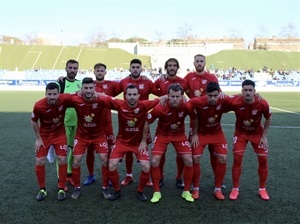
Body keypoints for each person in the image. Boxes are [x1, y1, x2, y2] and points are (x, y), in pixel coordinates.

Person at [107, 84, 166, 202]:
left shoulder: (144, 105)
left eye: (134, 94)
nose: (132, 97)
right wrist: (95, 93)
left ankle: (140, 191)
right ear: (125, 96)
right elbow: (105, 98)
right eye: (129, 94)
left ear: (139, 96)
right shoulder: (119, 105)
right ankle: (117, 190)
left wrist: (172, 96)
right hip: (122, 142)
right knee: (111, 165)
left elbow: (161, 98)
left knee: (146, 166)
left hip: (138, 143)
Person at [139, 83, 196, 203]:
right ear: (167, 96)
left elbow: (195, 118)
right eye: (172, 96)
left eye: (177, 96)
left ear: (182, 97)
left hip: (179, 135)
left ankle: (186, 191)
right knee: (154, 160)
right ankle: (156, 191)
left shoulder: (186, 106)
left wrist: (194, 134)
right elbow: (146, 121)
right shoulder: (160, 107)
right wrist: (144, 141)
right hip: (162, 135)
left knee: (189, 160)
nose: (175, 99)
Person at [184, 54, 226, 192]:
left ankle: (218, 181)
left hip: (211, 117)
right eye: (197, 61)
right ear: (194, 62)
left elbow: (218, 93)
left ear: (205, 62)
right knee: (192, 153)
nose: (199, 63)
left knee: (215, 153)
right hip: (195, 120)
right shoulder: (189, 77)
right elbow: (178, 87)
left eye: (202, 61)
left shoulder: (212, 77)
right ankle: (191, 182)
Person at [116, 59, 159, 187]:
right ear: (130, 69)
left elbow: (160, 91)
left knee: (144, 146)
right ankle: (129, 175)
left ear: (141, 69)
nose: (135, 69)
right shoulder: (123, 82)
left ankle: (147, 177)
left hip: (142, 121)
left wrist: (163, 78)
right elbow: (111, 92)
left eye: (137, 67)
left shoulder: (147, 81)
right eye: (133, 67)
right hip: (126, 121)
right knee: (128, 149)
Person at [228, 79, 272, 201]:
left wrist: (264, 136)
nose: (248, 93)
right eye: (245, 90)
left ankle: (262, 189)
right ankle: (235, 188)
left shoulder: (262, 103)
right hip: (241, 134)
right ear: (242, 91)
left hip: (257, 134)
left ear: (254, 91)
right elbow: (224, 98)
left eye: (250, 90)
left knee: (263, 159)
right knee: (237, 159)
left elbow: (268, 119)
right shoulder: (235, 102)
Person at [69, 77, 112, 200]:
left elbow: (119, 103)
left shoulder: (101, 99)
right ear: (81, 89)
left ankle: (105, 187)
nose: (88, 91)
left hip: (98, 136)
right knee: (76, 160)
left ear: (94, 88)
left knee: (104, 159)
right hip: (82, 136)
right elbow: (60, 98)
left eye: (90, 88)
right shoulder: (75, 99)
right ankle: (77, 188)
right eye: (86, 88)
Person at [186, 82, 230, 200]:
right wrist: (194, 134)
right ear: (205, 94)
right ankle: (195, 188)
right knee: (195, 158)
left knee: (223, 157)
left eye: (215, 95)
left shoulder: (223, 99)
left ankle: (218, 189)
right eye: (210, 96)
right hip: (201, 134)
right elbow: (188, 106)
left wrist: (256, 94)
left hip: (216, 133)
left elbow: (238, 99)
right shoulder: (198, 101)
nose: (212, 98)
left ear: (219, 94)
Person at [31, 82, 73, 201]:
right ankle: (42, 189)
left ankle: (61, 188)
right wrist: (38, 138)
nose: (52, 97)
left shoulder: (64, 99)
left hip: (59, 134)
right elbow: (34, 121)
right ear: (45, 94)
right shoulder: (38, 105)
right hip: (44, 135)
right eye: (49, 94)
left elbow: (78, 95)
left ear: (59, 94)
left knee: (62, 159)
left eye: (55, 94)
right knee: (39, 160)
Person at [154, 58, 188, 188]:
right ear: (166, 67)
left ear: (177, 67)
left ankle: (179, 177)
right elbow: (151, 89)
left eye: (174, 65)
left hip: (178, 122)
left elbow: (190, 95)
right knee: (160, 154)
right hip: (163, 121)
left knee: (181, 154)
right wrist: (161, 99)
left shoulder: (183, 81)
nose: (172, 67)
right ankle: (160, 177)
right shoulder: (161, 80)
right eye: (169, 65)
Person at [83, 63, 119, 186]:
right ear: (94, 72)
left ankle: (109, 175)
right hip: (92, 125)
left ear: (105, 72)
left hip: (107, 124)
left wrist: (144, 77)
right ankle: (91, 175)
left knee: (110, 150)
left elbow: (127, 85)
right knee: (90, 151)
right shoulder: (89, 85)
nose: (99, 72)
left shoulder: (111, 84)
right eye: (97, 70)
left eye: (102, 70)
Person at [57, 59, 82, 189]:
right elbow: (54, 100)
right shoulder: (60, 83)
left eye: (75, 68)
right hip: (64, 122)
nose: (72, 70)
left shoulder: (81, 83)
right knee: (62, 151)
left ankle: (69, 175)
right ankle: (60, 179)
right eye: (70, 68)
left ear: (78, 69)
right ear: (66, 68)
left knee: (73, 150)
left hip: (78, 122)